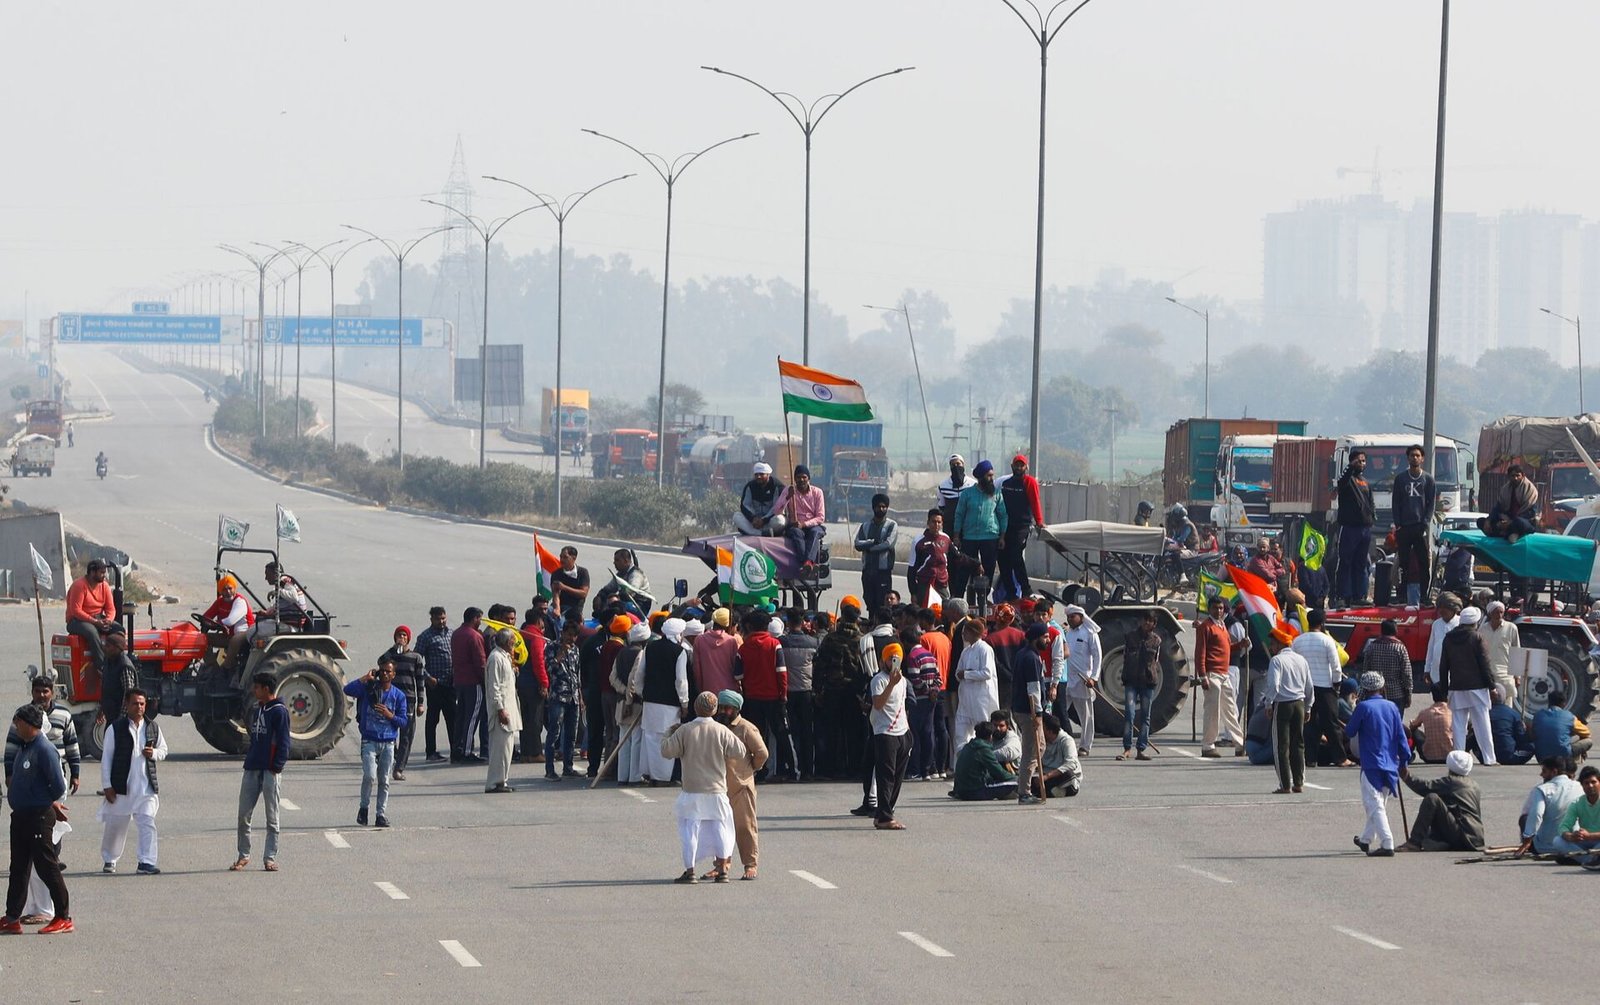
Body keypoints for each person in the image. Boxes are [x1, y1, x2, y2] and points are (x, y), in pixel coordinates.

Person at [3, 672, 79, 924]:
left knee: (46, 866)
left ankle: (62, 916)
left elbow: (57, 786)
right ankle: (13, 916)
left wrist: (48, 802)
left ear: (31, 724)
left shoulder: (44, 749)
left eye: (19, 722)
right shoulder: (25, 746)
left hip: (38, 816)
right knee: (19, 868)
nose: (15, 725)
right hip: (22, 816)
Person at [660, 692, 747, 884]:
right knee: (722, 828)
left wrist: (669, 732)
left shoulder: (686, 730)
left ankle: (690, 871)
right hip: (717, 790)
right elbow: (740, 751)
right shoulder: (721, 730)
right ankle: (723, 870)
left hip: (692, 791)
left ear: (695, 707)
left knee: (689, 830)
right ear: (714, 710)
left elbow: (666, 751)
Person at [98, 688, 167, 874]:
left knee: (147, 822)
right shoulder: (116, 728)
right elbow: (107, 759)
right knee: (116, 826)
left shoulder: (152, 727)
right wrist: (107, 786)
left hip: (146, 788)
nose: (139, 707)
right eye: (135, 703)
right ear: (126, 705)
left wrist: (154, 754)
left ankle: (146, 861)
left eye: (142, 704)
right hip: (122, 788)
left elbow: (164, 750)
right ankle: (110, 859)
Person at [1345, 671, 1410, 857]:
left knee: (1373, 803)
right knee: (1378, 803)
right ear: (1382, 688)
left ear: (1364, 689)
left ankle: (1387, 842)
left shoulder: (1363, 707)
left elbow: (1350, 731)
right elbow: (1400, 736)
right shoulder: (1392, 707)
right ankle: (1366, 839)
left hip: (1371, 763)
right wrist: (1404, 760)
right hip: (1391, 763)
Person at [233, 672, 289, 872]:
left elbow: (284, 742)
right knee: (243, 815)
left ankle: (270, 857)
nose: (254, 691)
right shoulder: (257, 709)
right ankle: (243, 854)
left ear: (266, 689)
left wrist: (276, 766)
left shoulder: (279, 711)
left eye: (257, 687)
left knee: (272, 817)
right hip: (252, 767)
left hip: (270, 769)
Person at [343, 663, 407, 826]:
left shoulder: (398, 696)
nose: (385, 674)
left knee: (384, 780)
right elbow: (347, 690)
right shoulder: (368, 690)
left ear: (393, 675)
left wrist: (389, 715)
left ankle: (380, 814)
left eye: (389, 671)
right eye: (382, 671)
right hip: (369, 741)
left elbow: (404, 721)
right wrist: (365, 678)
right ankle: (363, 808)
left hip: (388, 742)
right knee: (369, 776)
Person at [715, 690, 767, 881]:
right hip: (719, 787)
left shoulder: (746, 728)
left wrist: (750, 769)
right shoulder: (717, 727)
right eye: (721, 707)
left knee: (745, 827)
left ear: (736, 709)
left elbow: (762, 753)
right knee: (720, 828)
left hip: (741, 787)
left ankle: (750, 864)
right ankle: (721, 865)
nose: (723, 711)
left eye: (727, 708)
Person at [815, 599, 868, 781]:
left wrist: (817, 690)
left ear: (843, 617)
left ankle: (832, 768)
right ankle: (854, 768)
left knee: (833, 732)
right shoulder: (862, 640)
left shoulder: (831, 639)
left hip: (833, 690)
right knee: (854, 732)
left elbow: (819, 666)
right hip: (854, 692)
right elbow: (867, 668)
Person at [633, 617, 690, 786]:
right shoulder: (679, 652)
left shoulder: (650, 648)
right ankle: (662, 777)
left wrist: (641, 693)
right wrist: (684, 702)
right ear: (677, 634)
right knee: (667, 739)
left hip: (650, 700)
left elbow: (640, 674)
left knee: (650, 738)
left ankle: (650, 774)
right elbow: (681, 681)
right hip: (670, 704)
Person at [1291, 608, 1349, 767]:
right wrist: (1336, 686)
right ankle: (1341, 758)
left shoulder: (1298, 641)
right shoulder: (1327, 640)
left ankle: (1310, 758)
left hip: (1304, 688)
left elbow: (1294, 664)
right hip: (1325, 687)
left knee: (1309, 725)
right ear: (1323, 623)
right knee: (1331, 724)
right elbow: (1336, 667)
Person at [1441, 607, 1497, 766]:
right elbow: (1484, 664)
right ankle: (1489, 758)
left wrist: (1444, 690)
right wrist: (1491, 685)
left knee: (1458, 725)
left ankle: (1458, 760)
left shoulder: (1448, 638)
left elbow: (1444, 667)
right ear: (1475, 622)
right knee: (1482, 723)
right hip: (1477, 687)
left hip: (1456, 687)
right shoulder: (1477, 637)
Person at [1399, 750, 1486, 852]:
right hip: (1476, 837)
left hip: (1463, 836)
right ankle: (1437, 839)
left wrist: (1406, 776)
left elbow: (1424, 787)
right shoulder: (1474, 785)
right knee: (1442, 804)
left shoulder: (1451, 782)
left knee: (1432, 798)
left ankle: (1414, 842)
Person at [868, 642, 912, 830]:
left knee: (898, 775)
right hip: (885, 732)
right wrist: (891, 683)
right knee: (886, 776)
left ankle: (884, 812)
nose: (894, 662)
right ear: (883, 661)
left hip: (903, 731)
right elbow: (878, 704)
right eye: (891, 659)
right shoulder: (879, 680)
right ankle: (885, 816)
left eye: (897, 659)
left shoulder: (903, 680)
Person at [951, 459, 1007, 602]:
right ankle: (957, 600)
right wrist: (956, 535)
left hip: (990, 538)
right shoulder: (967, 494)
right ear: (981, 477)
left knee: (988, 570)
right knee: (964, 569)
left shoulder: (996, 493)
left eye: (992, 475)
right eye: (988, 475)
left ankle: (983, 601)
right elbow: (959, 515)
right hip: (969, 538)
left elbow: (1002, 515)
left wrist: (1002, 536)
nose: (991, 479)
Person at [1265, 628, 1313, 794]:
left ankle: (1285, 784)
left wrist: (1268, 704)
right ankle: (1299, 782)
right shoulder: (1301, 660)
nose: (1271, 647)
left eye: (1272, 644)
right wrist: (1308, 707)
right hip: (1299, 703)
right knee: (1298, 744)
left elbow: (1274, 685)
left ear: (1279, 644)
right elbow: (1309, 686)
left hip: (1283, 704)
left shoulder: (1277, 661)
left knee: (1281, 746)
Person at [1196, 599, 1244, 758]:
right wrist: (1202, 675)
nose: (1218, 611)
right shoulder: (1205, 627)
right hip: (1212, 674)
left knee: (1230, 709)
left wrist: (1240, 645)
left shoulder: (1222, 626)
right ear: (1209, 609)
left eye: (1221, 608)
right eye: (1215, 608)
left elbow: (1227, 648)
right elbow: (1200, 653)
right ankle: (1208, 745)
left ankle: (1239, 743)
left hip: (1224, 674)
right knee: (1213, 711)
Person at [1392, 444, 1437, 608]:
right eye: (1412, 455)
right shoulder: (1401, 479)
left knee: (1424, 563)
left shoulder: (1428, 480)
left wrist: (1425, 523)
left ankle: (1424, 596)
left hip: (1420, 527)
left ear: (1422, 458)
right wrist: (1398, 524)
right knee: (1402, 563)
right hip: (1404, 527)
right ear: (1408, 458)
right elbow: (1396, 502)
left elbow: (1431, 504)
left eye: (1418, 455)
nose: (1415, 458)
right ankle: (1401, 595)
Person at [379, 626, 426, 779]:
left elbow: (420, 680)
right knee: (390, 733)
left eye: (404, 635)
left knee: (407, 735)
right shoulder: (391, 656)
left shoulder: (415, 657)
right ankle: (393, 757)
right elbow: (380, 662)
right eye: (399, 635)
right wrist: (393, 649)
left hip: (409, 700)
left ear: (408, 638)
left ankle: (399, 768)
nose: (402, 638)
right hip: (391, 699)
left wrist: (421, 703)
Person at [996, 454, 1043, 602]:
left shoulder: (1029, 482)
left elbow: (1035, 502)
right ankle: (1010, 592)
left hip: (1021, 526)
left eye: (1021, 465)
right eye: (1016, 465)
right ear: (1012, 467)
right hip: (1005, 526)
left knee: (1016, 555)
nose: (1019, 468)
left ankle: (1026, 589)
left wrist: (1039, 521)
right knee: (1003, 559)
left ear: (1026, 467)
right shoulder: (1006, 483)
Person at [951, 617, 999, 764]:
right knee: (961, 733)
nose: (963, 635)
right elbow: (957, 673)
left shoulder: (985, 649)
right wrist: (963, 674)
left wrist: (967, 674)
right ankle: (961, 764)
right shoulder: (966, 652)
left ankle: (984, 762)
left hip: (981, 699)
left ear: (973, 633)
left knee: (983, 731)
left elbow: (987, 673)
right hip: (965, 699)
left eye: (965, 632)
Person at [1011, 623, 1049, 805]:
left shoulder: (1024, 654)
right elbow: (1033, 688)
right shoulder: (1031, 658)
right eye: (1045, 637)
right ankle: (1024, 792)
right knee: (1031, 750)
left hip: (1021, 708)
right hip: (1028, 711)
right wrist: (1038, 713)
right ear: (1035, 639)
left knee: (1039, 747)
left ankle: (1026, 783)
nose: (1048, 640)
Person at [780, 610, 819, 781]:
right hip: (806, 691)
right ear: (803, 622)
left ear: (788, 623)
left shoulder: (781, 642)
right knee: (807, 732)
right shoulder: (813, 642)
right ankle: (808, 770)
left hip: (788, 692)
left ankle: (792, 767)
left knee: (791, 732)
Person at [1516, 757, 1582, 858]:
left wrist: (1527, 841)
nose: (1541, 774)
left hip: (1545, 846)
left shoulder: (1542, 789)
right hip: (1575, 842)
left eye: (1544, 771)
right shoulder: (1580, 786)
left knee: (1524, 818)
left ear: (1554, 772)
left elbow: (1536, 814)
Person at [1119, 608, 1162, 760]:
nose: (1147, 623)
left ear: (1154, 624)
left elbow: (1155, 661)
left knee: (1145, 716)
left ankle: (1141, 749)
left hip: (1147, 682)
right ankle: (1126, 749)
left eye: (1150, 621)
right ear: (1141, 621)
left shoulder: (1156, 640)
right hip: (1131, 681)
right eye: (1145, 620)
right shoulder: (1130, 637)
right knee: (1129, 715)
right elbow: (1125, 657)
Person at [1333, 450, 1375, 606]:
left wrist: (1371, 518)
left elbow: (1370, 502)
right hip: (1350, 528)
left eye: (1364, 461)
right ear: (1351, 462)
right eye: (1359, 461)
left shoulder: (1365, 482)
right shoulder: (1346, 479)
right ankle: (1342, 596)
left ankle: (1360, 596)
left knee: (1362, 563)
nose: (1361, 464)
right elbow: (1341, 481)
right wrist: (1351, 467)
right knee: (1346, 562)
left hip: (1365, 529)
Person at [542, 621, 583, 779]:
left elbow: (577, 673)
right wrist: (560, 656)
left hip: (573, 697)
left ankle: (568, 766)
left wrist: (580, 696)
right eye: (569, 634)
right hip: (558, 696)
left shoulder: (576, 650)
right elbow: (549, 668)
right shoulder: (552, 647)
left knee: (571, 734)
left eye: (574, 635)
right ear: (563, 633)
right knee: (554, 733)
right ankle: (549, 770)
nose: (572, 638)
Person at [415, 607, 455, 763]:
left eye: (443, 618)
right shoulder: (425, 637)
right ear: (431, 619)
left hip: (450, 684)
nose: (442, 621)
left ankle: (455, 750)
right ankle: (431, 752)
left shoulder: (451, 634)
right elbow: (417, 662)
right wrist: (428, 678)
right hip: (435, 685)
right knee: (433, 719)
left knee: (453, 718)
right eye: (438, 619)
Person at [65, 557, 116, 678]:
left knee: (118, 629)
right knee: (92, 632)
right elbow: (76, 610)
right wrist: (95, 622)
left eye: (105, 573)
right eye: (101, 573)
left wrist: (108, 620)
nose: (104, 576)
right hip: (77, 620)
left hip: (98, 617)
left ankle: (116, 661)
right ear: (92, 572)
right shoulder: (79, 585)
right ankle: (102, 667)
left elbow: (111, 608)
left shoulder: (105, 586)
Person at [483, 628, 520, 793]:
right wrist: (500, 709)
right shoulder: (495, 658)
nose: (514, 644)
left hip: (510, 708)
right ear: (506, 642)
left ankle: (502, 781)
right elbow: (494, 686)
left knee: (507, 750)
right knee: (499, 749)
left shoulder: (505, 657)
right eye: (512, 641)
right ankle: (493, 783)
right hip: (501, 711)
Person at [1061, 605, 1102, 753]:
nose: (1070, 619)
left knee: (1086, 717)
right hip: (1066, 679)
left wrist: (1093, 678)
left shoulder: (1089, 633)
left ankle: (1085, 746)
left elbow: (1097, 656)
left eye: (1073, 617)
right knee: (1059, 713)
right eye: (1068, 617)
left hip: (1082, 680)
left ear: (1080, 617)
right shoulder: (1067, 633)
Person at [450, 607, 487, 763]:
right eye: (479, 619)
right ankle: (466, 752)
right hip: (473, 682)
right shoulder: (475, 636)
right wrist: (485, 681)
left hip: (459, 681)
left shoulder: (456, 634)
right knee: (472, 718)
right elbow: (480, 662)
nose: (481, 622)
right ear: (474, 619)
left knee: (461, 717)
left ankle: (457, 749)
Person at [772, 465, 827, 568]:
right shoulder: (789, 490)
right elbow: (776, 511)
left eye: (804, 477)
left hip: (812, 525)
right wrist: (788, 497)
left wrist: (804, 524)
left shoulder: (817, 492)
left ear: (808, 478)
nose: (801, 480)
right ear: (795, 479)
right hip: (795, 526)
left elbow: (820, 517)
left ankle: (808, 562)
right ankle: (806, 563)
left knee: (815, 533)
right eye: (798, 477)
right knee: (796, 533)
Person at [854, 493, 899, 615]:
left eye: (884, 507)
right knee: (870, 601)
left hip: (883, 572)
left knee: (883, 603)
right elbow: (858, 544)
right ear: (873, 507)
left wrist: (869, 548)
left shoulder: (891, 525)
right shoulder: (865, 526)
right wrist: (873, 542)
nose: (882, 509)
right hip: (868, 571)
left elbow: (888, 544)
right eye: (879, 506)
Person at [948, 721, 1017, 800]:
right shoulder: (983, 749)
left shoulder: (968, 746)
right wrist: (1016, 778)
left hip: (961, 791)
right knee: (1014, 783)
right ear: (990, 736)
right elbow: (998, 771)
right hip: (976, 791)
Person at [1360, 619, 1412, 712]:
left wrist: (1363, 692)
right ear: (1395, 631)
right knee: (1395, 723)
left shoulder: (1372, 647)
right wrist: (1408, 694)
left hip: (1375, 693)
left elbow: (1366, 671)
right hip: (1396, 694)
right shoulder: (1400, 648)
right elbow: (1407, 674)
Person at [1552, 764, 1600, 862]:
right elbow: (1563, 827)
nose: (1590, 786)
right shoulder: (1577, 803)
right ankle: (1590, 860)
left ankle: (1581, 859)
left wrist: (1590, 836)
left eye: (1593, 782)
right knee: (1557, 841)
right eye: (1586, 783)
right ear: (1582, 785)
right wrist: (1570, 836)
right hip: (1583, 841)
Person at [205, 575, 254, 671]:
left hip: (246, 633)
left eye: (230, 588)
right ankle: (212, 667)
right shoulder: (220, 602)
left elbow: (230, 621)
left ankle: (226, 667)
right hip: (229, 634)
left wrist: (217, 624)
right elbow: (206, 616)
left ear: (234, 589)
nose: (227, 592)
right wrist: (206, 622)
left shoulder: (240, 601)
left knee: (235, 640)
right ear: (220, 591)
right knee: (203, 639)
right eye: (224, 589)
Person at [1481, 464, 1540, 542]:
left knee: (1519, 522)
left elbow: (1531, 513)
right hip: (1507, 519)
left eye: (1517, 475)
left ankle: (1509, 532)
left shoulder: (1529, 489)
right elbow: (1498, 507)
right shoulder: (1505, 489)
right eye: (1512, 476)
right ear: (1509, 477)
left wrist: (1510, 522)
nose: (1515, 478)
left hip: (1524, 522)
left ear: (1523, 476)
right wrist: (1488, 520)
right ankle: (1508, 533)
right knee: (1481, 521)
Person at [692, 607, 741, 697]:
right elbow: (736, 667)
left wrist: (700, 690)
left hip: (707, 691)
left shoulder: (699, 640)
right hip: (729, 692)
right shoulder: (732, 641)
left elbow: (697, 671)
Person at [1532, 690, 1593, 762]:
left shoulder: (1538, 715)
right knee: (1588, 741)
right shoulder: (1569, 716)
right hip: (1564, 755)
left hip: (1541, 757)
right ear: (1563, 703)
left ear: (1549, 702)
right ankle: (1575, 757)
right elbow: (1587, 733)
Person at [1480, 601, 1521, 708]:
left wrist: (1517, 676)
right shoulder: (1483, 629)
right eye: (1496, 612)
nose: (1499, 615)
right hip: (1488, 674)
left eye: (1501, 612)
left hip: (1505, 674)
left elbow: (1516, 651)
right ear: (1490, 613)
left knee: (1506, 705)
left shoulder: (1511, 628)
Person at [907, 509, 951, 604]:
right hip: (924, 585)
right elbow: (911, 569)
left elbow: (958, 557)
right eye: (933, 522)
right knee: (924, 616)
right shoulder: (918, 541)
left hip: (941, 585)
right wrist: (913, 593)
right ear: (928, 522)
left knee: (944, 614)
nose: (936, 525)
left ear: (942, 523)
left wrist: (976, 563)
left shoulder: (946, 539)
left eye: (939, 522)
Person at [98, 626, 138, 728]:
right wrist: (102, 709)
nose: (105, 648)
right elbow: (105, 687)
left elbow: (129, 694)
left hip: (121, 719)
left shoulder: (124, 666)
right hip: (110, 716)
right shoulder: (108, 662)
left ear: (117, 648)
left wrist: (122, 718)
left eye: (108, 646)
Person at [735, 462, 787, 536]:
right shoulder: (750, 486)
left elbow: (777, 507)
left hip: (770, 521)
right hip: (755, 522)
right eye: (756, 474)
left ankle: (750, 531)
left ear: (768, 474)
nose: (758, 477)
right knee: (737, 516)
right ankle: (760, 533)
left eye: (761, 474)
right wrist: (753, 518)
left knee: (780, 520)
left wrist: (764, 520)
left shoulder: (777, 486)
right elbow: (745, 505)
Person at [1037, 712, 1082, 797]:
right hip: (1046, 775)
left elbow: (1071, 764)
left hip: (1061, 776)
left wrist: (1047, 776)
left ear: (1049, 731)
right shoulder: (1040, 741)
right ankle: (1051, 791)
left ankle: (1049, 791)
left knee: (1069, 775)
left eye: (1042, 729)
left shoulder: (1067, 741)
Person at [1487, 686, 1535, 766]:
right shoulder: (1513, 714)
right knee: (1533, 746)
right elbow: (1521, 738)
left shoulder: (1484, 714)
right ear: (1504, 698)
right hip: (1509, 757)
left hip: (1486, 757)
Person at [1423, 593, 1461, 688]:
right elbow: (1431, 648)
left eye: (1445, 608)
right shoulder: (1436, 624)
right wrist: (1427, 669)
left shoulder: (1461, 623)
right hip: (1436, 672)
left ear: (1453, 609)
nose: (1441, 611)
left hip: (1456, 673)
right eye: (1440, 608)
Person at [1409, 687, 1455, 764]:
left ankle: (1408, 755)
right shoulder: (1452, 712)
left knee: (1414, 731)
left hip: (1429, 757)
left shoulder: (1425, 712)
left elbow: (1412, 727)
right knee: (1472, 732)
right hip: (1451, 756)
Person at [548, 546, 590, 627]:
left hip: (574, 609)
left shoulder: (582, 573)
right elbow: (555, 594)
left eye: (565, 557)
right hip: (560, 606)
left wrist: (564, 587)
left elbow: (583, 593)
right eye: (561, 557)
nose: (562, 560)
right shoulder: (556, 574)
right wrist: (557, 608)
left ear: (573, 558)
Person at [936, 454, 975, 534]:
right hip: (950, 526)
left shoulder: (973, 484)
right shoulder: (943, 486)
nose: (956, 467)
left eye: (958, 464)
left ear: (963, 465)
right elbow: (942, 506)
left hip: (969, 526)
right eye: (953, 465)